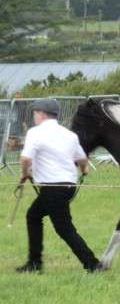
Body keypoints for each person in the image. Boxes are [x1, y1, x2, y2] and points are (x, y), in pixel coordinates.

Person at [16, 97, 102, 273]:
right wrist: (84, 170)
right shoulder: (69, 135)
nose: (34, 117)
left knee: (64, 228)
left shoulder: (35, 133)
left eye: (35, 114)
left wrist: (24, 173)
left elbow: (25, 158)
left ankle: (92, 264)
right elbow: (82, 158)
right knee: (33, 216)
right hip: (67, 186)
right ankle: (34, 262)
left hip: (52, 188)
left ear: (42, 114)